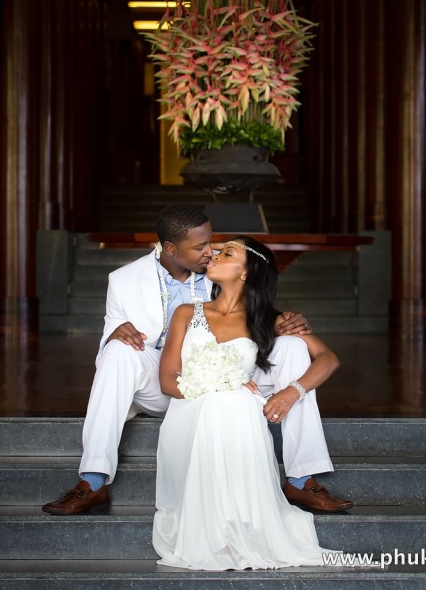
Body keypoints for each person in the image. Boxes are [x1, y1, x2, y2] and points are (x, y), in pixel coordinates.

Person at [42, 204, 352, 515]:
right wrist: (114, 333)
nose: (211, 252)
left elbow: (252, 304)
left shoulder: (217, 274)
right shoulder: (123, 281)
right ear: (171, 248)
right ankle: (93, 480)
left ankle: (301, 477)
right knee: (118, 352)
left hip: (233, 381)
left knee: (292, 347)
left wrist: (288, 330)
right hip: (161, 379)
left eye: (213, 244)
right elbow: (107, 357)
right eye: (201, 246)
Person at [153, 236, 340, 569]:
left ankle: (241, 522)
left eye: (227, 253)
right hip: (190, 412)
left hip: (237, 415)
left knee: (238, 401)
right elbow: (168, 381)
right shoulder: (185, 313)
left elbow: (327, 359)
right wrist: (221, 384)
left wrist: (290, 392)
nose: (213, 255)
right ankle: (217, 523)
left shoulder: (267, 320)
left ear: (245, 273)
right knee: (226, 400)